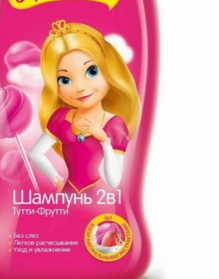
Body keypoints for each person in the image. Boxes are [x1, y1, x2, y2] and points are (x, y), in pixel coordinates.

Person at [29, 19, 140, 194]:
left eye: (92, 71)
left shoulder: (115, 126)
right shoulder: (61, 117)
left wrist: (104, 141)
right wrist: (56, 179)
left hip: (98, 197)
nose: (80, 87)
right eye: (64, 80)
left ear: (109, 70)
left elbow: (113, 182)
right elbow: (35, 153)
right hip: (68, 193)